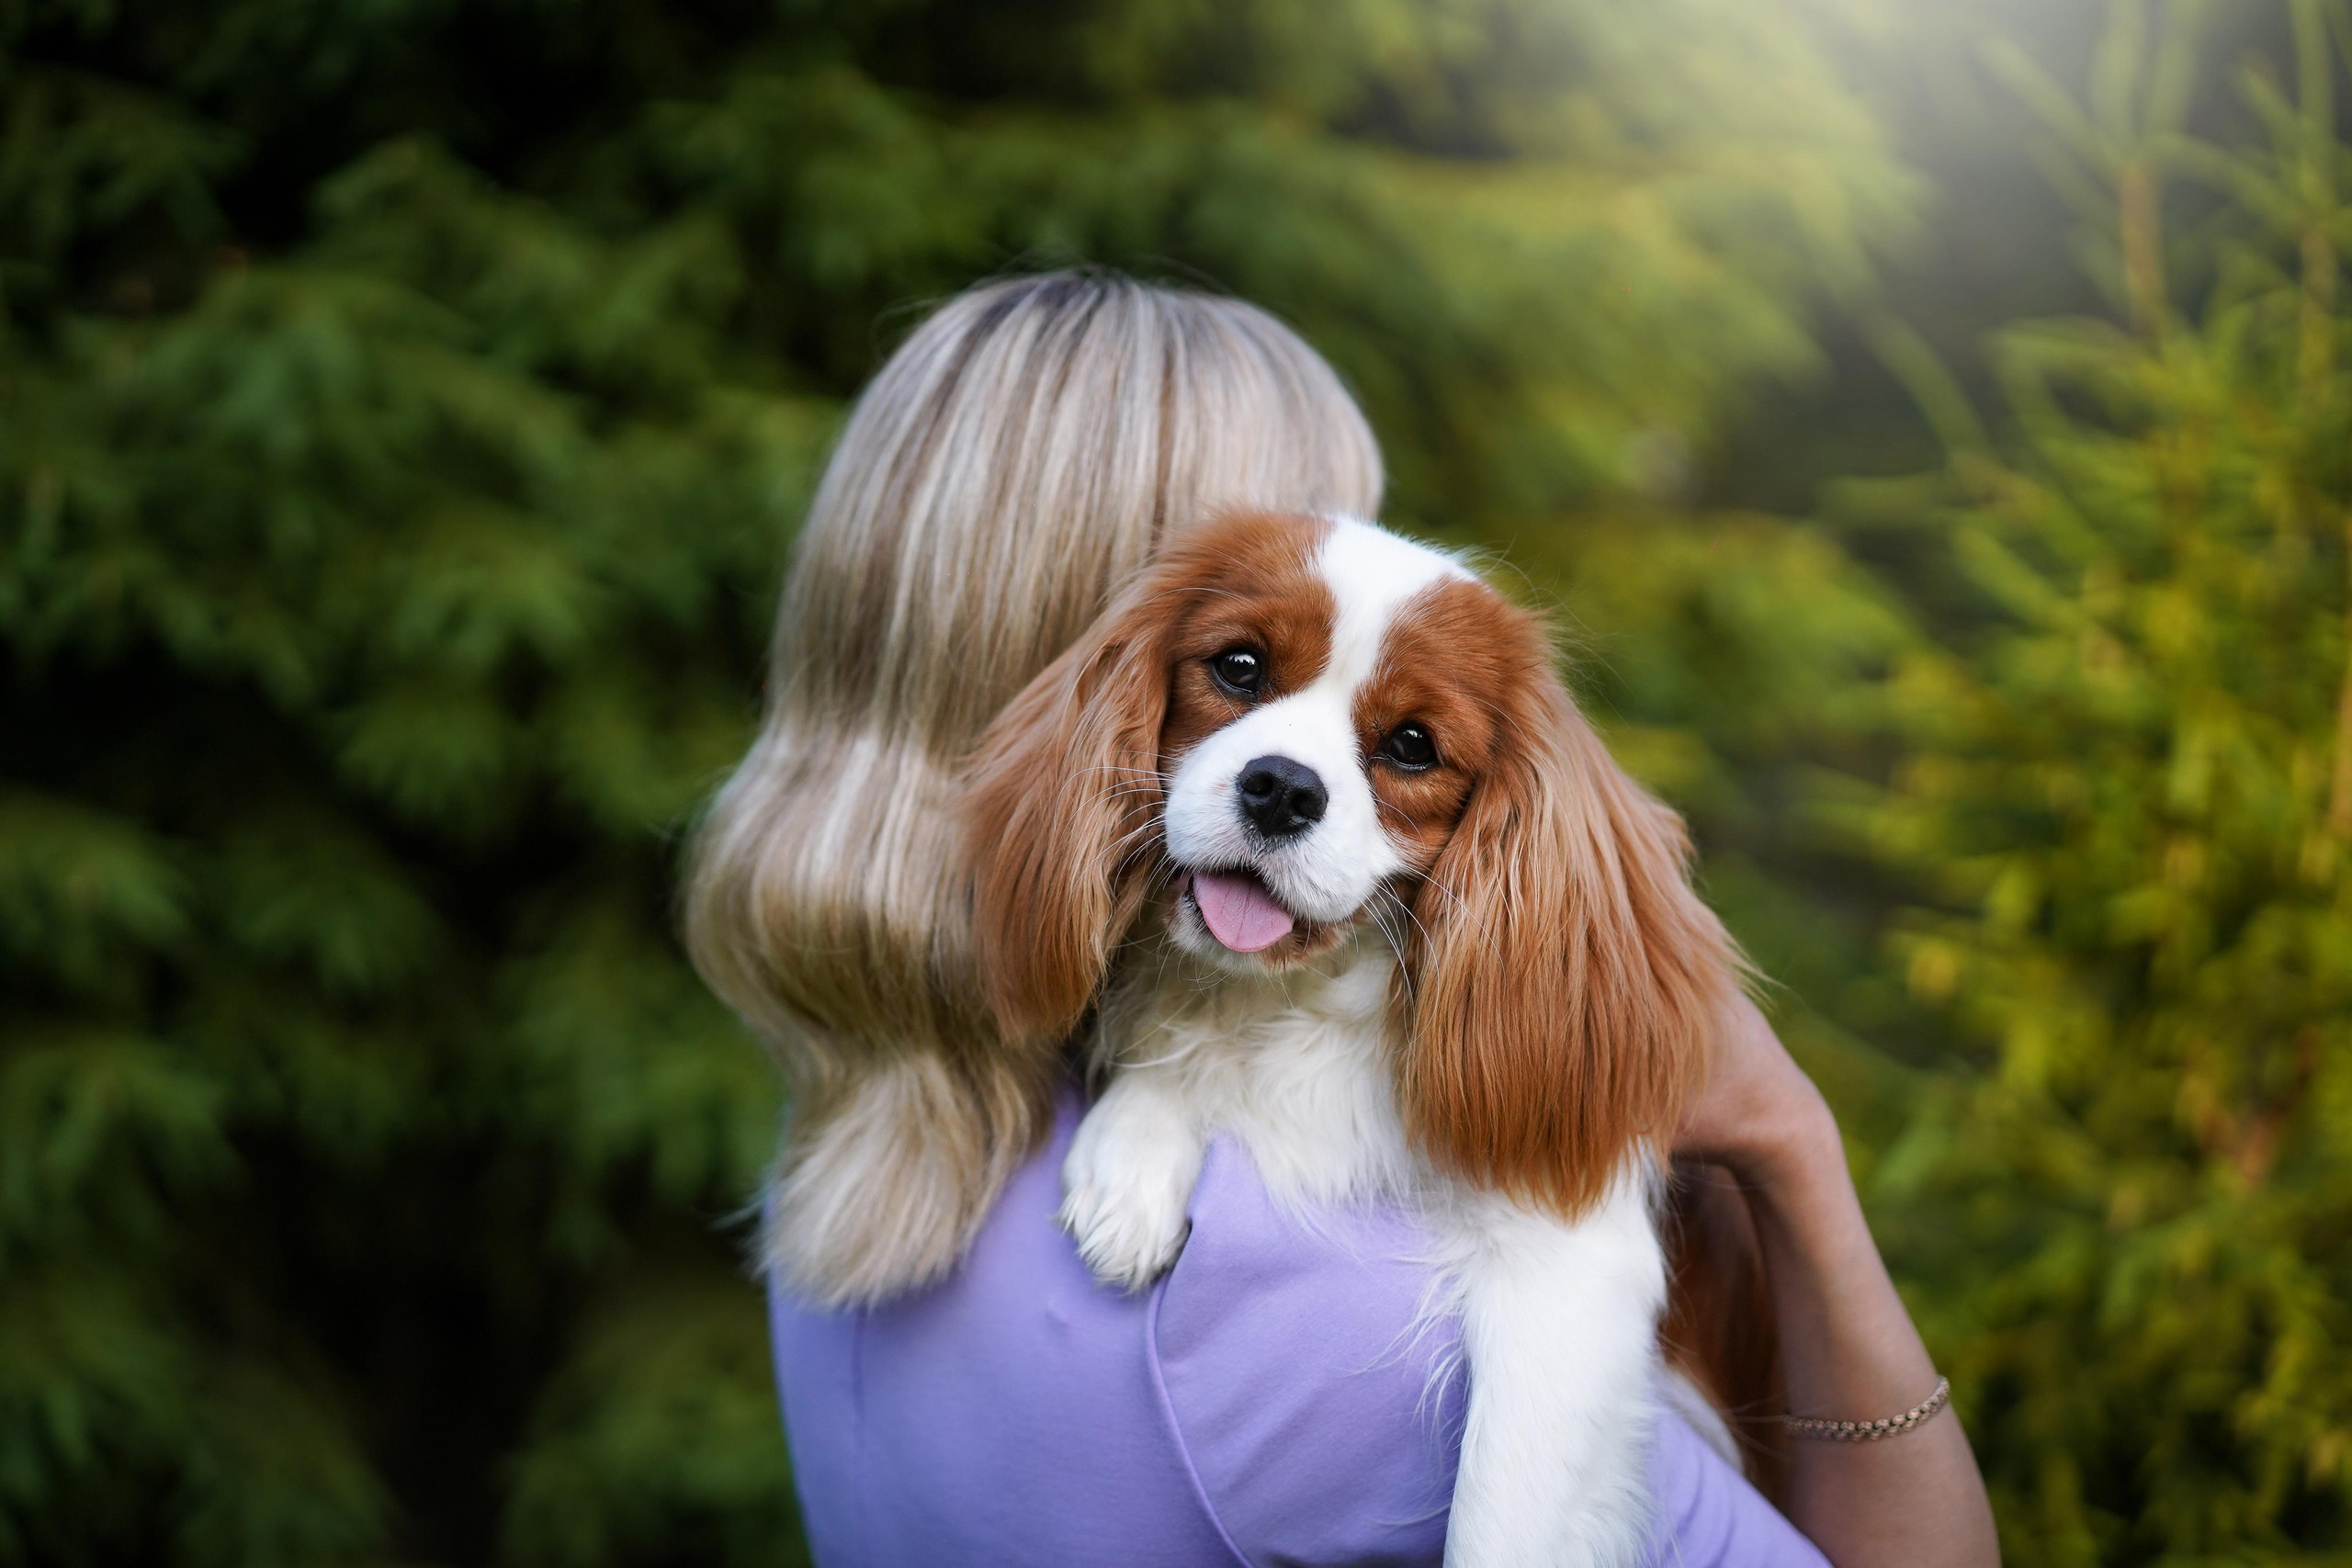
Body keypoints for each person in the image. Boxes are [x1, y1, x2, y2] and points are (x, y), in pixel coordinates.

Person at [684, 270, 2000, 1567]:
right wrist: (1787, 1135)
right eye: (1243, 669)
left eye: (1408, 739)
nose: (1289, 755)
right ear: (1099, 652)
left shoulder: (853, 1151)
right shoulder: (1345, 1344)